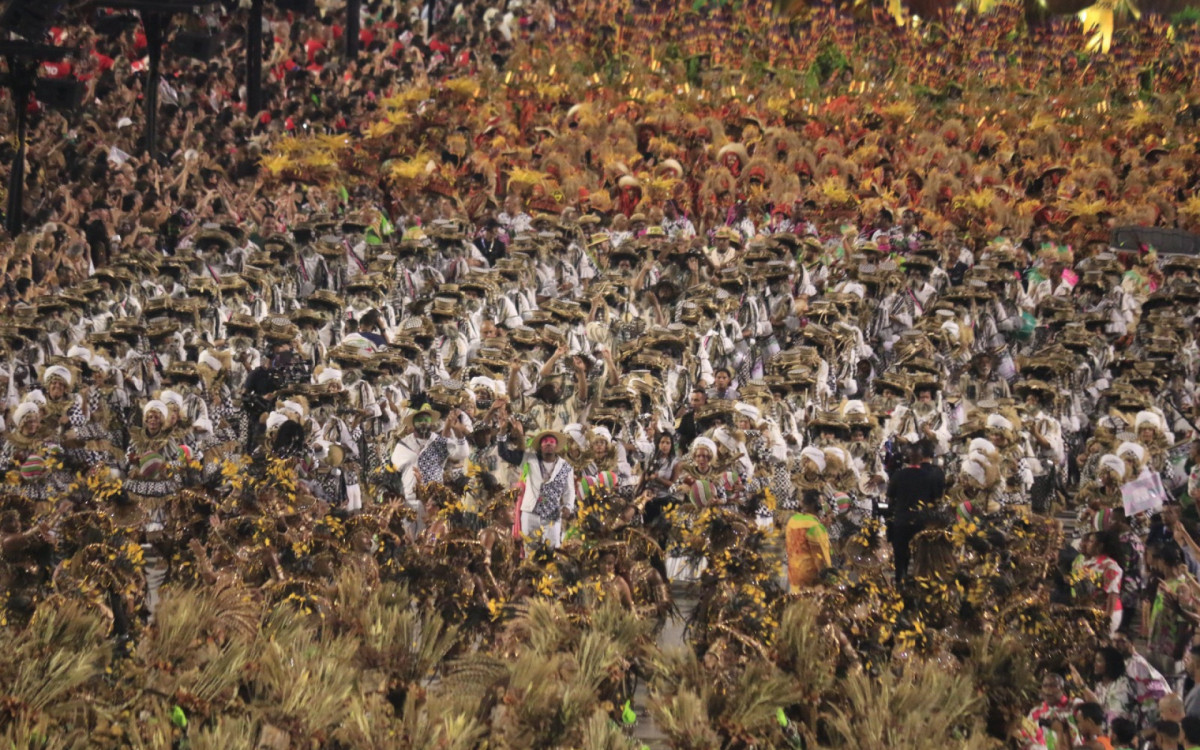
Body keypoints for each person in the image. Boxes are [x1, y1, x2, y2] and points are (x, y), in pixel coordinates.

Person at [501, 427, 576, 549]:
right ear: (540, 446)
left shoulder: (566, 467)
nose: (548, 443)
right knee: (529, 550)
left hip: (552, 515)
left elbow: (570, 491)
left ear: (556, 446)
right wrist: (502, 433)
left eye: (551, 442)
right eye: (545, 441)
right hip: (530, 514)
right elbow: (505, 454)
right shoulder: (530, 459)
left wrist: (568, 506)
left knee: (552, 552)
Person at [886, 441, 940, 584]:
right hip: (921, 522)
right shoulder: (929, 476)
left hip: (901, 521)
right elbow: (935, 500)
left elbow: (890, 498)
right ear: (922, 458)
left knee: (900, 555)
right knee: (920, 555)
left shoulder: (898, 475)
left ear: (908, 458)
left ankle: (899, 581)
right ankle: (919, 583)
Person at [785, 490, 832, 592]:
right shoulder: (815, 526)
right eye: (821, 503)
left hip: (794, 578)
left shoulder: (792, 521)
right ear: (815, 505)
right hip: (811, 584)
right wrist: (830, 581)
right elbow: (821, 558)